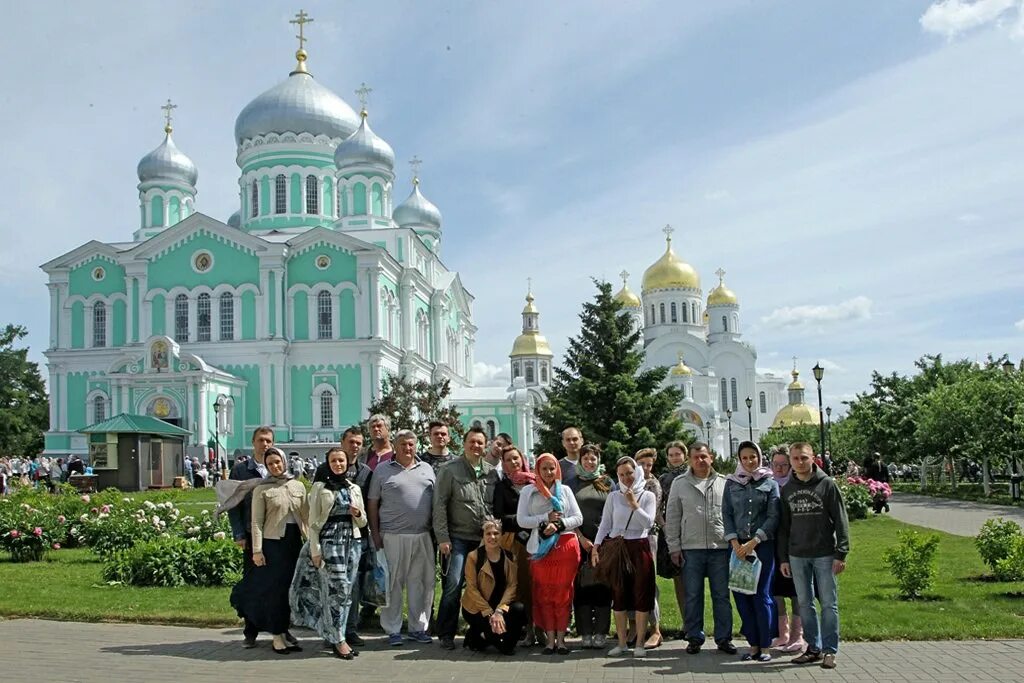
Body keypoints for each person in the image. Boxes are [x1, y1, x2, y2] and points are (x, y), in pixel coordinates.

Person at [227, 447, 308, 654]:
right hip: (273, 544)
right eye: (270, 464)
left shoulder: (297, 485)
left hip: (294, 542)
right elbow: (256, 523)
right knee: (275, 591)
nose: (275, 466)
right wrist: (257, 550)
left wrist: (311, 543)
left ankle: (284, 630)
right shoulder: (261, 489)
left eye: (278, 462)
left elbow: (306, 517)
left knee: (290, 589)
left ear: (284, 462)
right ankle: (277, 636)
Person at [778, 442, 850, 670]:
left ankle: (830, 650)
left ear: (813, 459)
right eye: (796, 458)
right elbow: (784, 527)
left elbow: (841, 519)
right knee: (805, 603)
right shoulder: (787, 489)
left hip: (824, 554)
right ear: (791, 461)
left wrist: (842, 552)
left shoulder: (827, 485)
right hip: (797, 555)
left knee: (829, 603)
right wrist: (784, 558)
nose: (800, 462)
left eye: (804, 458)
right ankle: (813, 648)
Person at [290, 447, 367, 660]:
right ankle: (338, 640)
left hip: (351, 544)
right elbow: (313, 523)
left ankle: (336, 634)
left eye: (341, 461)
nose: (338, 464)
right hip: (330, 543)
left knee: (347, 593)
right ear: (328, 463)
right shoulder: (320, 488)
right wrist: (315, 550)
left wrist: (358, 513)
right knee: (336, 591)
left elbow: (363, 522)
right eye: (334, 461)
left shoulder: (353, 488)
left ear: (347, 463)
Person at [665, 442, 736, 656]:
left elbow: (731, 514)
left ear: (711, 457)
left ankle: (724, 638)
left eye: (704, 456)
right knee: (693, 595)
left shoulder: (725, 482)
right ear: (690, 460)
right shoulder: (680, 483)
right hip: (691, 547)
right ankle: (694, 636)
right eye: (696, 457)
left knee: (721, 595)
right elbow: (673, 517)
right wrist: (674, 547)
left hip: (719, 547)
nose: (700, 461)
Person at [368, 429, 436, 646]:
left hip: (422, 536)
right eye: (403, 444)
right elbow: (372, 504)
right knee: (393, 583)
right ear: (395, 447)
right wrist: (376, 535)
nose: (408, 448)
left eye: (411, 444)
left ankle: (418, 628)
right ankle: (393, 629)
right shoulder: (382, 470)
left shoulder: (427, 468)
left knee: (421, 584)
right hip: (392, 536)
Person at [433, 426, 498, 650]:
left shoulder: (491, 473)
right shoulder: (450, 470)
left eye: (480, 442)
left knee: (487, 586)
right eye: (472, 441)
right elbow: (439, 505)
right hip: (458, 538)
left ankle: (481, 631)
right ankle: (446, 632)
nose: (476, 446)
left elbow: (495, 506)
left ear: (485, 445)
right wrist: (442, 537)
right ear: (464, 443)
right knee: (453, 584)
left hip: (484, 540)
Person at [516, 453, 583, 655]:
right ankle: (549, 639)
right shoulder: (529, 491)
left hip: (565, 545)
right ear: (537, 470)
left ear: (557, 470)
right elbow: (522, 520)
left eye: (552, 468)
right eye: (544, 468)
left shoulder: (566, 490)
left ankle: (562, 640)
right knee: (544, 594)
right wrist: (545, 519)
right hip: (541, 546)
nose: (548, 472)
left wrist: (559, 524)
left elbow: (578, 518)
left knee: (563, 594)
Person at [593, 456, 657, 658]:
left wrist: (634, 504)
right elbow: (606, 523)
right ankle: (621, 643)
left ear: (636, 472)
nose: (626, 477)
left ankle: (639, 643)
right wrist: (596, 546)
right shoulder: (613, 497)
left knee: (641, 595)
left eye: (629, 473)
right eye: (621, 474)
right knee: (618, 595)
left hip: (639, 546)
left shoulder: (647, 495)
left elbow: (648, 523)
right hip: (618, 548)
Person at [723, 441, 780, 662]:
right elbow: (726, 514)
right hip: (738, 547)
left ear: (759, 457)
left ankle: (765, 645)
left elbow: (773, 516)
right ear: (739, 459)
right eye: (745, 458)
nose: (749, 461)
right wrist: (735, 542)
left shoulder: (769, 483)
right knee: (740, 595)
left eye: (753, 457)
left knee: (760, 596)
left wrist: (755, 540)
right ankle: (753, 644)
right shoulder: (732, 483)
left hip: (761, 546)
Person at [224, 427, 275, 648]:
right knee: (253, 582)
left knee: (277, 584)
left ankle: (278, 630)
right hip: (250, 533)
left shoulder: (278, 466)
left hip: (277, 535)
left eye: (269, 441)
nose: (265, 444)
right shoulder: (241, 470)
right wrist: (238, 533)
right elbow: (232, 505)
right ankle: (250, 631)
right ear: (253, 442)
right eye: (261, 440)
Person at [461, 518, 527, 654]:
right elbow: (471, 589)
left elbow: (512, 586)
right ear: (483, 536)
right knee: (497, 642)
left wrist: (499, 611)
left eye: (496, 533)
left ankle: (485, 636)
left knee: (519, 610)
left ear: (502, 535)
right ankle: (476, 637)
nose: (492, 537)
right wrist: (489, 612)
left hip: (499, 607)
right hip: (477, 608)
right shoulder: (473, 557)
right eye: (488, 533)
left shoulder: (510, 557)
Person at [570, 443, 614, 650]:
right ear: (580, 460)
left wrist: (601, 542)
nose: (590, 462)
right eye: (586, 458)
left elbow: (614, 512)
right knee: (582, 588)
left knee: (603, 587)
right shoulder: (571, 483)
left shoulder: (607, 482)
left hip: (604, 542)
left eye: (593, 458)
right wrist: (580, 538)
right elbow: (567, 514)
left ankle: (601, 632)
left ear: (598, 460)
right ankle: (585, 632)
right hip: (580, 542)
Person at [491, 445, 536, 646]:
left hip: (537, 541)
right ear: (504, 464)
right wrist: (525, 520)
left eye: (516, 458)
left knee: (535, 587)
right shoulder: (502, 487)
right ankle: (520, 630)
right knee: (516, 587)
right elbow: (500, 516)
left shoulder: (535, 483)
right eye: (508, 460)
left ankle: (538, 628)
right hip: (513, 543)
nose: (514, 462)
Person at [767, 446, 806, 653]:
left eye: (784, 465)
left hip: (795, 546)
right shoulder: (768, 485)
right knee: (777, 591)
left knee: (796, 591)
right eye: (776, 465)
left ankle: (798, 635)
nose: (780, 468)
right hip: (773, 545)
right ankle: (783, 634)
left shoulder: (795, 486)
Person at [339, 426, 372, 646]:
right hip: (333, 537)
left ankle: (350, 629)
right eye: (351, 442)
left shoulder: (366, 472)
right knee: (334, 585)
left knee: (355, 585)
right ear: (343, 443)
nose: (355, 446)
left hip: (358, 536)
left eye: (359, 443)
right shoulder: (328, 469)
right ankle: (334, 630)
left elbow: (370, 504)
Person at [657, 440, 688, 639]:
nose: (675, 457)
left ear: (684, 455)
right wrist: (664, 526)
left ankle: (694, 623)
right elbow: (657, 506)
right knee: (678, 579)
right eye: (671, 454)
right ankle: (686, 622)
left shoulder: (691, 476)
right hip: (670, 533)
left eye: (678, 454)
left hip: (690, 533)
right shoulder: (664, 479)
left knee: (692, 580)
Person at [634, 447, 664, 649]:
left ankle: (655, 629)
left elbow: (650, 516)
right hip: (627, 537)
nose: (645, 468)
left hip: (648, 536)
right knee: (630, 582)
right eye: (642, 464)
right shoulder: (629, 481)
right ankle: (634, 628)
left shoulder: (652, 485)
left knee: (647, 582)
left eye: (649, 464)